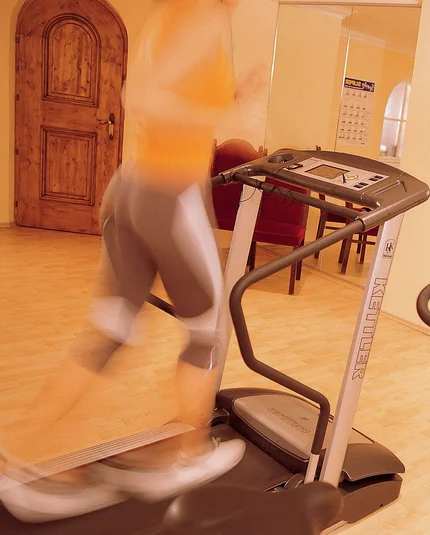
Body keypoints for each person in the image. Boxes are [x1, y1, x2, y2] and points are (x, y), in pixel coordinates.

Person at [0, 0, 266, 522]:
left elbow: (149, 91)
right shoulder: (203, 16)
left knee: (111, 329)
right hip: (170, 195)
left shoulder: (171, 14)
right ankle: (187, 455)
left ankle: (21, 461)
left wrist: (228, 95)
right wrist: (217, 110)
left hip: (131, 188)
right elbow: (148, 99)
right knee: (207, 330)